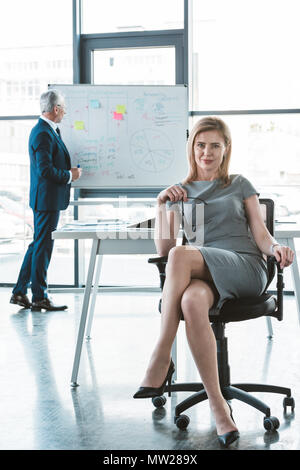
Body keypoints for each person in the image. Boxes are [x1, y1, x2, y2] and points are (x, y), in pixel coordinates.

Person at [133, 116, 294, 447]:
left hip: (245, 267)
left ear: (226, 149)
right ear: (192, 148)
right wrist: (161, 204)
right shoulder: (181, 191)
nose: (207, 152)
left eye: (214, 146)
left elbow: (261, 235)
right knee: (190, 300)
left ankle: (161, 354)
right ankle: (220, 409)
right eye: (200, 145)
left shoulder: (239, 184)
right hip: (204, 271)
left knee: (181, 255)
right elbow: (163, 248)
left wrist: (276, 247)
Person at [10, 90, 82, 311]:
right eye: (64, 107)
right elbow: (45, 171)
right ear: (56, 109)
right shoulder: (42, 133)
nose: (65, 111)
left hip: (47, 199)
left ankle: (20, 292)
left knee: (38, 245)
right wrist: (71, 175)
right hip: (46, 200)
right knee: (43, 246)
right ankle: (39, 296)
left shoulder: (48, 131)